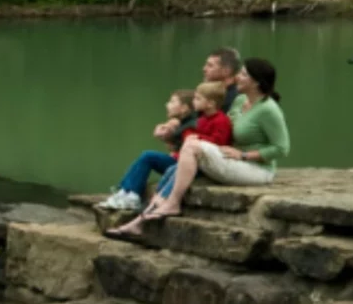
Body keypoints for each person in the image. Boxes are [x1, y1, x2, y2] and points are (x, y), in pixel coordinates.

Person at [110, 57, 288, 235]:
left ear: (256, 82)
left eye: (243, 74)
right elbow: (210, 116)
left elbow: (282, 148)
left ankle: (172, 203)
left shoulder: (268, 110)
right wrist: (175, 124)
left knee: (192, 146)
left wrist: (243, 155)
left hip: (257, 170)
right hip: (231, 160)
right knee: (175, 169)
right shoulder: (240, 101)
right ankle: (141, 219)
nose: (238, 77)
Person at [99, 89, 196, 211]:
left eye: (172, 101)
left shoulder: (190, 126)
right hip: (177, 162)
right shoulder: (182, 123)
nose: (167, 105)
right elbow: (174, 147)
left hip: (182, 166)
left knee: (148, 156)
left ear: (184, 108)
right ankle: (124, 191)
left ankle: (132, 195)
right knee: (146, 158)